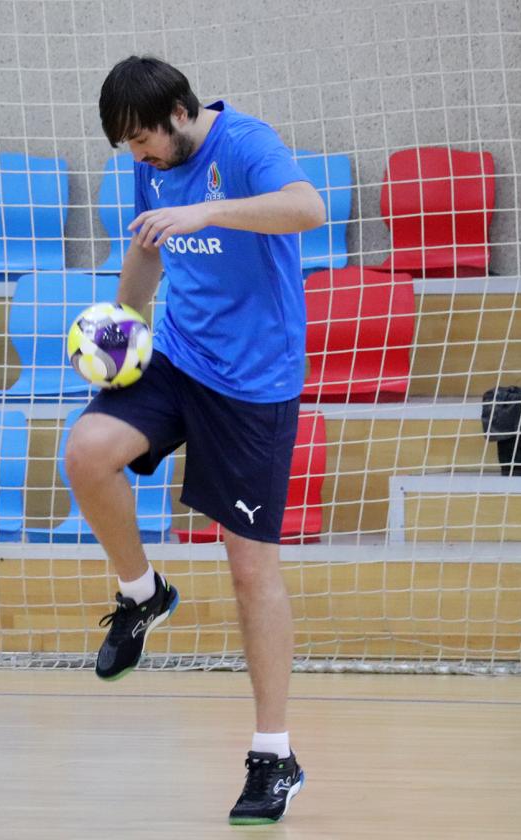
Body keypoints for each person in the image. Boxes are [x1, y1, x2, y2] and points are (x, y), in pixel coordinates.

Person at [65, 55, 325, 825]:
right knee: (86, 452)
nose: (140, 158)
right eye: (129, 148)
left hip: (253, 382)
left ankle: (275, 757)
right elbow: (148, 247)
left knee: (249, 569)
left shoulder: (245, 145)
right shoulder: (150, 163)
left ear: (180, 113)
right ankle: (143, 594)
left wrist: (209, 213)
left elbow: (307, 207)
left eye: (144, 141)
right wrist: (120, 331)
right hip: (177, 356)